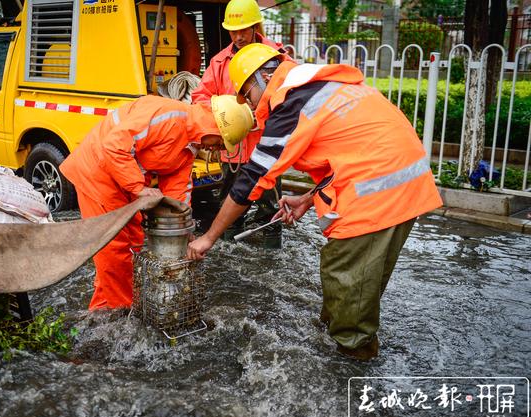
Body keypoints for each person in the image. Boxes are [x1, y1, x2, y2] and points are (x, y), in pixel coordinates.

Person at [187, 44, 443, 360]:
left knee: (348, 287)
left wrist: (209, 238)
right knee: (350, 289)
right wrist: (308, 199)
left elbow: (252, 178)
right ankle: (341, 343)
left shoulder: (292, 100)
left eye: (248, 96)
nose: (252, 106)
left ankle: (352, 367)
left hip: (377, 195)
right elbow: (351, 151)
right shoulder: (317, 84)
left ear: (260, 80)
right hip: (400, 185)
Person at [60, 95, 253, 310]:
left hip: (123, 182)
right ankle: (120, 313)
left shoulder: (189, 144)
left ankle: (104, 306)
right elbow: (113, 146)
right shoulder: (168, 117)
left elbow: (178, 189)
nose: (216, 150)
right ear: (214, 129)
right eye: (218, 144)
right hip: (97, 173)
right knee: (113, 250)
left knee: (134, 242)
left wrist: (184, 230)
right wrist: (138, 188)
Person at [191, 0, 289, 246]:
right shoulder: (219, 62)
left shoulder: (275, 58)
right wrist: (224, 111)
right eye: (233, 31)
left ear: (255, 26)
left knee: (270, 207)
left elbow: (288, 94)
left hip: (266, 145)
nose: (238, 36)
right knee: (230, 203)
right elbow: (200, 98)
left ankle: (271, 247)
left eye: (243, 30)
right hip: (233, 149)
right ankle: (227, 247)